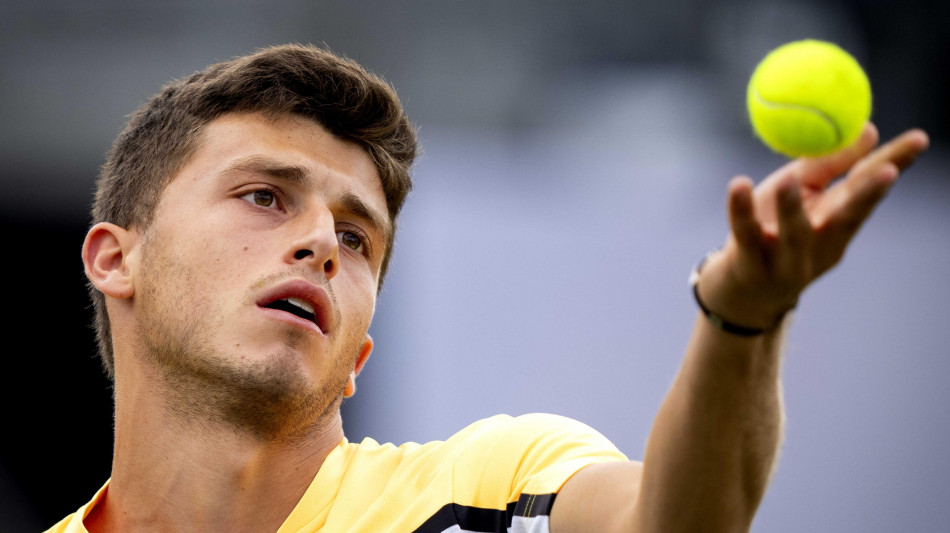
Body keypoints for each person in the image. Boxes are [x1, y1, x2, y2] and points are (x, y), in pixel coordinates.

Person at [48, 43, 928, 533]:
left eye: (357, 237)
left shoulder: (492, 489)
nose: (320, 243)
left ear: (357, 353)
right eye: (264, 196)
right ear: (116, 259)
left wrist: (744, 315)